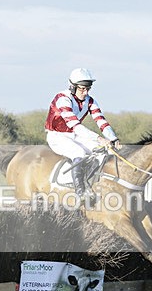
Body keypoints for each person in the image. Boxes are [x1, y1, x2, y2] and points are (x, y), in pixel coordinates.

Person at [45, 68, 121, 200]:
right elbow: (76, 126)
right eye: (82, 89)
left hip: (74, 135)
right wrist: (98, 138)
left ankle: (91, 183)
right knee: (79, 153)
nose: (85, 92)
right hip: (57, 136)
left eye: (88, 89)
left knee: (104, 152)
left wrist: (113, 138)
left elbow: (100, 121)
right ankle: (80, 192)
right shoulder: (62, 99)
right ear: (72, 87)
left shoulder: (90, 101)